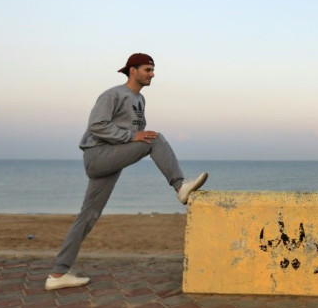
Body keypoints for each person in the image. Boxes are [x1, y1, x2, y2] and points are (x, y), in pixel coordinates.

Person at [45, 53, 208, 291]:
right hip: (98, 156)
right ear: (133, 70)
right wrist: (133, 137)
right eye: (147, 69)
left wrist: (132, 141)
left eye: (153, 70)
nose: (152, 74)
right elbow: (97, 125)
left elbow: (134, 134)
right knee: (155, 139)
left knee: (88, 216)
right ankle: (179, 186)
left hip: (112, 158)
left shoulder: (140, 100)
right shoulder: (113, 94)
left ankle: (58, 274)